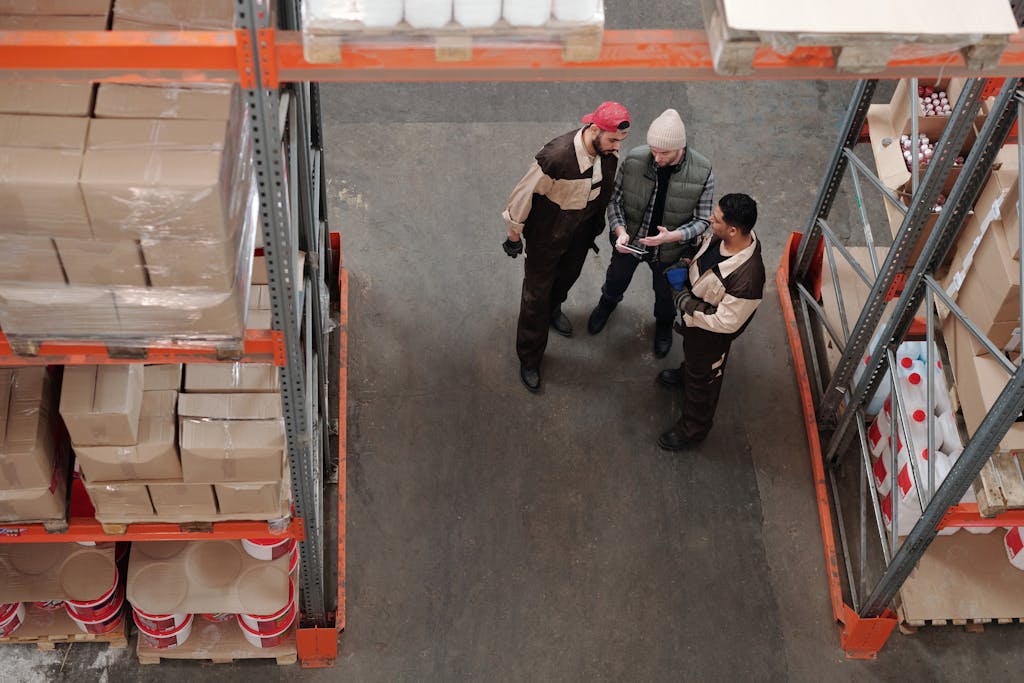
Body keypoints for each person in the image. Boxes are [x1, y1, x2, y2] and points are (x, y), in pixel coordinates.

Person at [501, 101, 631, 393]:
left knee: (566, 278)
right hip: (547, 237)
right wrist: (514, 235)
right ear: (594, 129)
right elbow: (523, 195)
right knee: (535, 297)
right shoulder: (556, 158)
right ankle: (530, 357)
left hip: (580, 232)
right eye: (613, 140)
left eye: (620, 141)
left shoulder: (606, 152)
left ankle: (553, 309)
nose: (617, 147)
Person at [587, 108, 714, 359]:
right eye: (653, 150)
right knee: (615, 279)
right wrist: (620, 231)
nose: (656, 158)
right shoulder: (635, 160)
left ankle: (664, 324)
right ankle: (607, 304)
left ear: (680, 147)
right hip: (631, 242)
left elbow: (702, 220)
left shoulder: (702, 171)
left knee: (666, 295)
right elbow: (614, 201)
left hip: (671, 251)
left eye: (664, 153)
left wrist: (673, 236)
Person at [656, 193, 765, 450]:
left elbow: (726, 322)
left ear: (733, 229)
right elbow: (704, 256)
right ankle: (688, 373)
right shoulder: (721, 238)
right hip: (696, 324)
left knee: (703, 383)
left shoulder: (748, 278)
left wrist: (686, 303)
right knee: (693, 360)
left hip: (711, 337)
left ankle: (693, 430)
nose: (709, 220)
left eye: (715, 219)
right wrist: (687, 262)